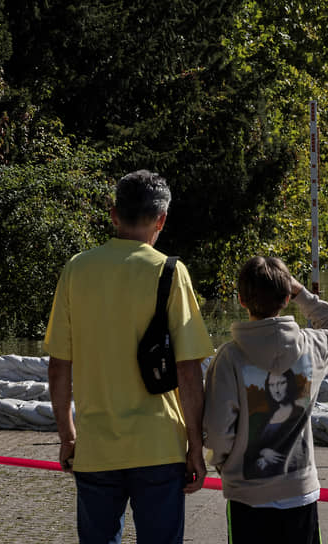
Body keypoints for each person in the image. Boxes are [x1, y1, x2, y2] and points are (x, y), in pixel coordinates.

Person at [44, 169, 215, 544]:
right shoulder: (170, 272)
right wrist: (195, 448)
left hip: (96, 447)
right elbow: (188, 371)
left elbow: (59, 366)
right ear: (162, 219)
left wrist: (68, 437)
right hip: (158, 447)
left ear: (113, 214)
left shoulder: (76, 269)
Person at [203, 256, 328, 544]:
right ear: (286, 298)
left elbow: (219, 430)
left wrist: (223, 465)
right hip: (300, 491)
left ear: (241, 300)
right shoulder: (311, 346)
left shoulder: (229, 358)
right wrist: (302, 294)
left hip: (247, 494)